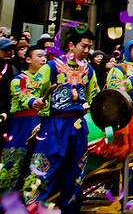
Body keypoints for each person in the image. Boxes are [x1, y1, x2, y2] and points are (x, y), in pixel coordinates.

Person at [22, 28, 99, 214]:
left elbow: (95, 96)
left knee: (75, 173)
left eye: (90, 47)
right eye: (84, 46)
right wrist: (35, 101)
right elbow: (27, 91)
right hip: (54, 126)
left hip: (78, 126)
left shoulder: (88, 70)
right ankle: (31, 208)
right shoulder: (51, 67)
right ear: (71, 45)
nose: (87, 50)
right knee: (42, 170)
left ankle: (70, 209)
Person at [0, 46, 46, 192]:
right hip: (22, 125)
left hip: (43, 123)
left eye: (45, 56)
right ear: (28, 59)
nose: (43, 59)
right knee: (13, 162)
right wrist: (34, 102)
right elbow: (24, 96)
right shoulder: (20, 79)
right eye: (39, 56)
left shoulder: (49, 81)